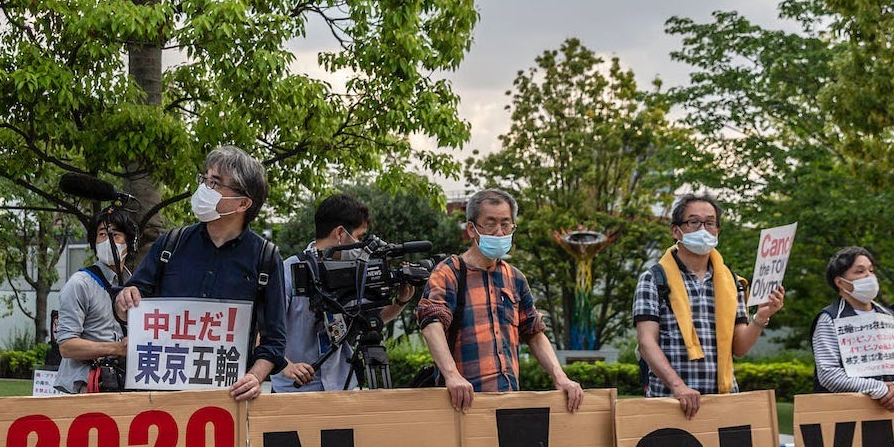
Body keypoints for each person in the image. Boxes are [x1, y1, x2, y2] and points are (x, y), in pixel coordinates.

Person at [114, 145, 287, 402]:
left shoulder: (266, 259)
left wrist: (255, 377)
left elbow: (274, 341)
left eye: (215, 183)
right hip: (159, 393)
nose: (204, 189)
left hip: (225, 399)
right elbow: (126, 306)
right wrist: (124, 299)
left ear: (243, 203)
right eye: (204, 179)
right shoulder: (170, 244)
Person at [416, 187, 583, 413]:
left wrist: (560, 376)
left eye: (506, 224)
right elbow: (431, 324)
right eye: (491, 223)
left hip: (509, 400)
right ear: (471, 229)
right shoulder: (449, 272)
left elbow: (534, 332)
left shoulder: (515, 278)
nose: (499, 232)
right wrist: (452, 375)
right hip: (461, 402)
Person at [633, 194, 784, 419]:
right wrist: (678, 386)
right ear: (676, 231)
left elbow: (740, 347)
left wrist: (761, 317)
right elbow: (646, 343)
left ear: (717, 231)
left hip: (722, 401)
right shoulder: (654, 278)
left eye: (710, 223)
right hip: (670, 401)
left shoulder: (731, 282)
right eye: (694, 222)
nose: (703, 229)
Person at [271, 193, 414, 393]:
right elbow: (263, 334)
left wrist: (400, 301)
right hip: (294, 392)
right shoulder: (289, 271)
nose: (361, 245)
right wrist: (286, 366)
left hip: (341, 388)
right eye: (360, 236)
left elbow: (372, 319)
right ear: (340, 233)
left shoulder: (356, 272)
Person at [809, 246, 894, 407]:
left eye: (871, 271)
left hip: (890, 412)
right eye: (859, 272)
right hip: (845, 413)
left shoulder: (889, 317)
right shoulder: (829, 319)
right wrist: (879, 389)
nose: (869, 276)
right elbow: (828, 374)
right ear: (840, 282)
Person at [55, 208, 138, 394]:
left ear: (129, 242)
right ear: (94, 242)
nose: (108, 240)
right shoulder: (79, 284)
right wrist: (117, 348)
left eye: (115, 235)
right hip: (85, 387)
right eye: (102, 235)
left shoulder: (133, 286)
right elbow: (67, 347)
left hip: (120, 386)